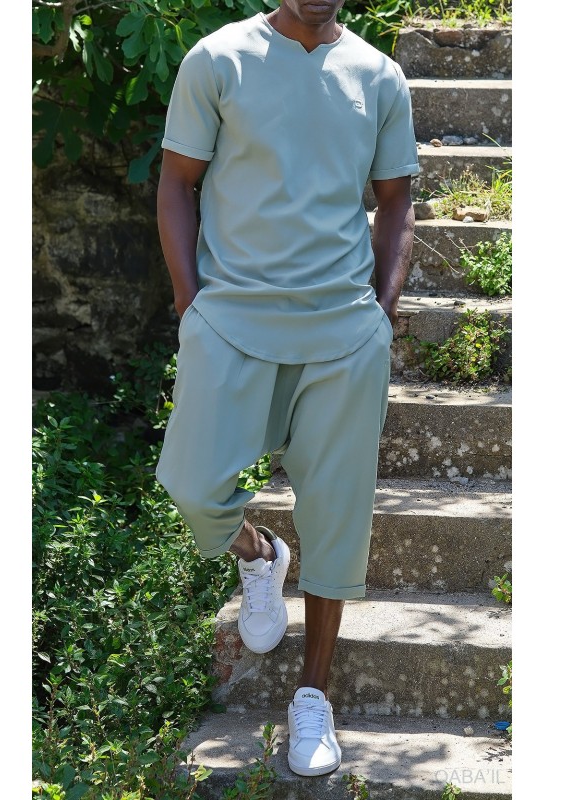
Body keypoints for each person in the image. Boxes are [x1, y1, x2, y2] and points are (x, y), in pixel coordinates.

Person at [155, 0, 418, 778]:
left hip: (343, 334)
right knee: (192, 485)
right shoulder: (217, 59)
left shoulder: (378, 75)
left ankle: (313, 697)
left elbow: (397, 199)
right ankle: (258, 552)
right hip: (232, 320)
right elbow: (176, 182)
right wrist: (190, 304)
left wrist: (380, 315)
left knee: (336, 521)